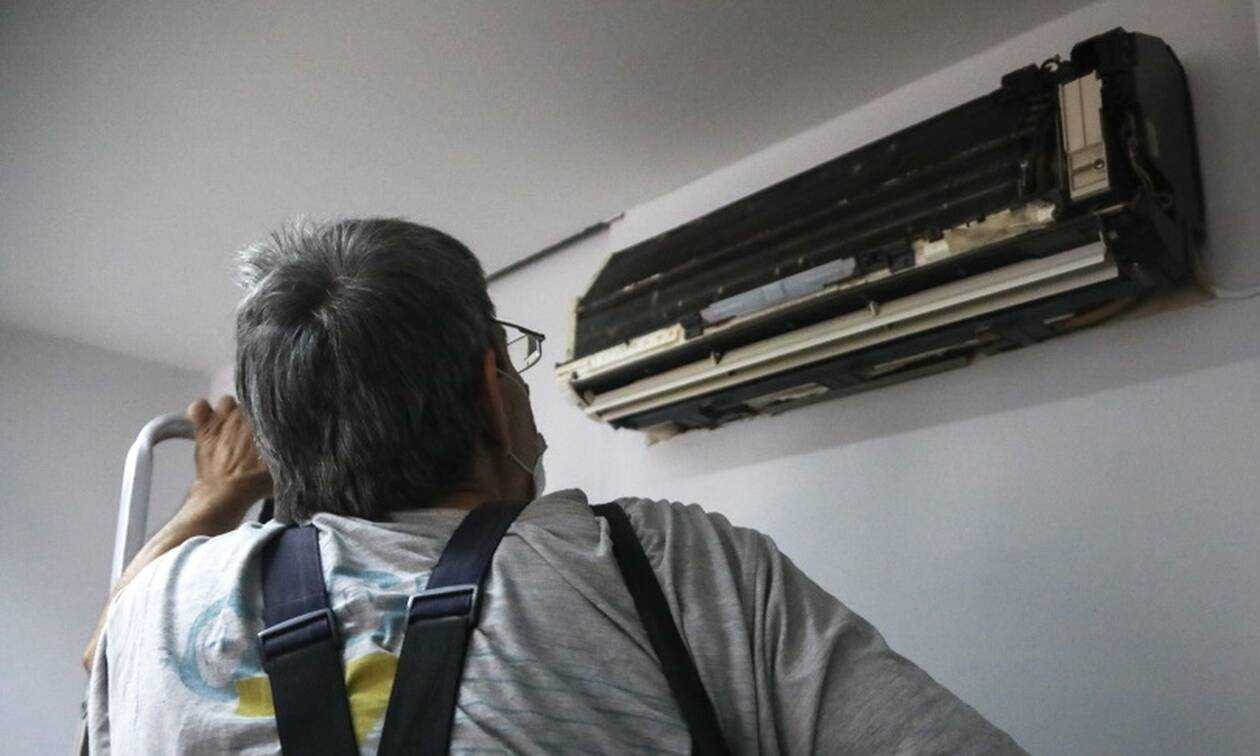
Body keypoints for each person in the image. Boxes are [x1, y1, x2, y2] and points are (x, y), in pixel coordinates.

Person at [83, 217, 1025, 754]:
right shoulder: (659, 561)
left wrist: (214, 496)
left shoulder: (157, 606)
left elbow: (105, 655)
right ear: (494, 393)